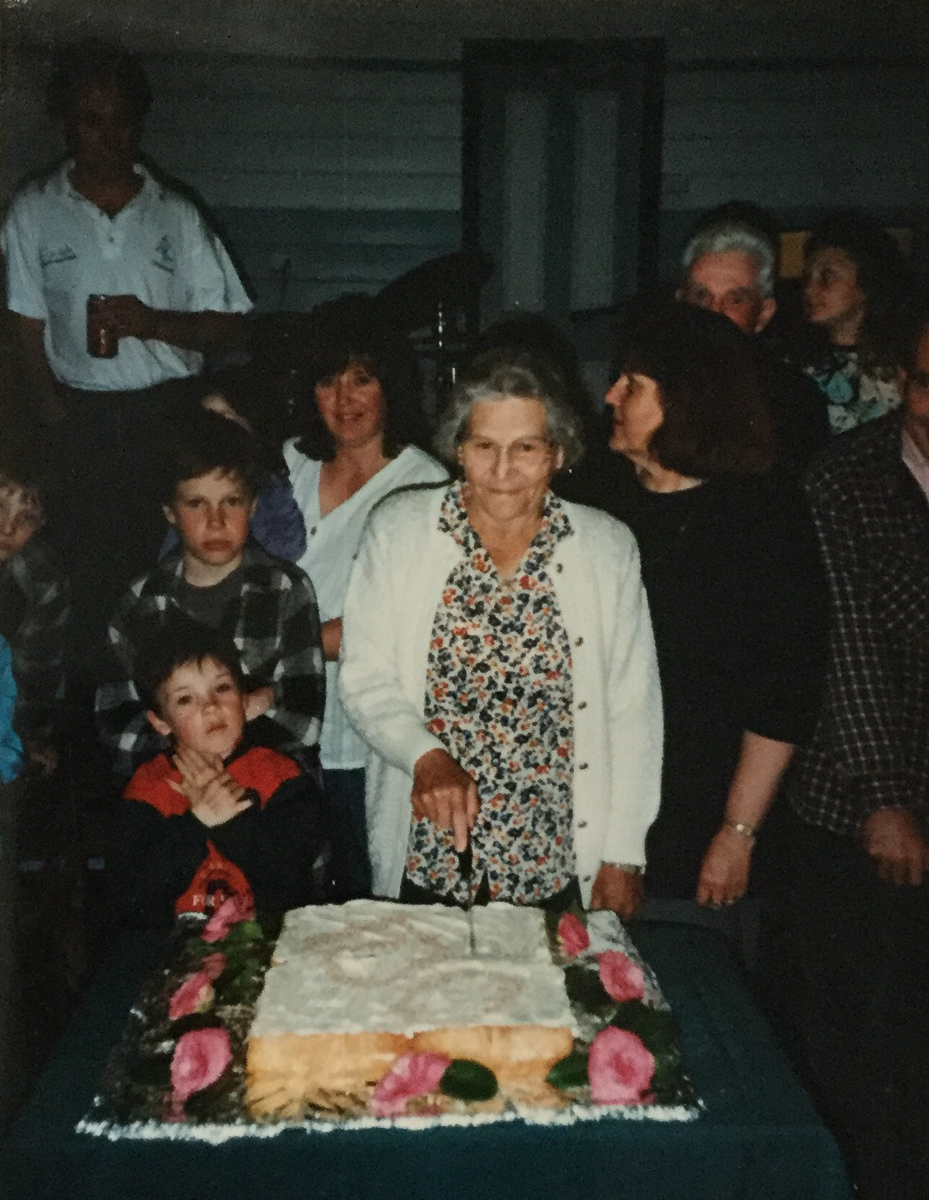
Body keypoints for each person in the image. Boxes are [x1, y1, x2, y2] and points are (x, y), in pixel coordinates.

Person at [340, 347, 662, 917]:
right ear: (458, 448)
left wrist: (624, 854)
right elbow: (366, 678)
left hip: (557, 859)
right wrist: (424, 757)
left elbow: (633, 710)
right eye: (484, 446)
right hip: (430, 854)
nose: (503, 469)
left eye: (526, 448)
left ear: (558, 454)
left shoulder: (607, 548)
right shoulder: (400, 529)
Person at [0, 40, 252, 660]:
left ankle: (166, 728)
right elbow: (25, 330)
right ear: (65, 124)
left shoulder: (176, 214)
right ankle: (87, 742)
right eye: (91, 119)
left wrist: (153, 323)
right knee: (85, 585)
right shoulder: (33, 212)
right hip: (77, 417)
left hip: (164, 413)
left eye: (121, 120)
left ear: (138, 123)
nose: (108, 135)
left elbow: (231, 326)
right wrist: (55, 422)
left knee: (167, 572)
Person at [602, 303, 821, 949]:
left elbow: (784, 695)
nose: (609, 395)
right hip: (604, 822)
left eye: (632, 384)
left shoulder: (763, 520)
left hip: (705, 825)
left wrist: (736, 832)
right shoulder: (599, 504)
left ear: (687, 400)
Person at [786, 311, 929, 1200]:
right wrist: (886, 800)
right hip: (862, 808)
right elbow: (851, 653)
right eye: (922, 382)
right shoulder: (846, 478)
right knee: (875, 1051)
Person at [284, 295, 448, 898]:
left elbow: (399, 622)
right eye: (328, 381)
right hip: (276, 724)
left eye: (363, 379)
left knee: (359, 897)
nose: (344, 399)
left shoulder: (424, 484)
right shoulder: (286, 466)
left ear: (392, 386)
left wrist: (281, 646)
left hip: (357, 737)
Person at [96, 408, 325, 782]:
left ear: (252, 507)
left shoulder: (287, 590)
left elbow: (303, 725)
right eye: (196, 504)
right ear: (170, 511)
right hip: (171, 802)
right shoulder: (139, 602)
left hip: (266, 805)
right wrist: (248, 708)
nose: (215, 520)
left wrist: (212, 760)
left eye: (231, 502)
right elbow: (118, 727)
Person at [111, 618, 327, 928]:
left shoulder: (280, 774)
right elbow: (134, 896)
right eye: (186, 699)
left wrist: (231, 822)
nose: (211, 707)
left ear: (244, 698)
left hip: (266, 940)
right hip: (174, 947)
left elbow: (290, 884)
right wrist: (197, 823)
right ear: (160, 722)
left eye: (222, 688)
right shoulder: (148, 786)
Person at [679, 214, 829, 482]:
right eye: (701, 296)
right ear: (681, 303)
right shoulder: (643, 385)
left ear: (764, 314)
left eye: (736, 300)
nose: (715, 312)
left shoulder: (794, 399)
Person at [797, 211, 910, 433]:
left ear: (866, 285)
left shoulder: (902, 361)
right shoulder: (795, 362)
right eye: (807, 277)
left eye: (827, 277)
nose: (809, 289)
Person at [0, 439, 70, 776]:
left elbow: (36, 663)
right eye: (0, 509)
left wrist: (32, 734)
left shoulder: (39, 573)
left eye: (26, 518)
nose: (8, 528)